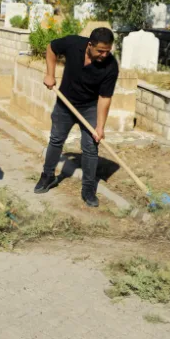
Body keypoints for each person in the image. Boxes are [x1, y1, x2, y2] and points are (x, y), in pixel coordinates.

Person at [34, 27, 119, 207]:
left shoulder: (111, 66)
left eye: (108, 51)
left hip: (89, 108)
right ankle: (47, 176)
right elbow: (51, 48)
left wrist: (100, 127)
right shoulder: (73, 44)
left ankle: (88, 189)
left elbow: (105, 98)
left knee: (90, 146)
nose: (104, 55)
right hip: (65, 104)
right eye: (100, 51)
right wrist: (50, 73)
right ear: (90, 45)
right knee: (56, 140)